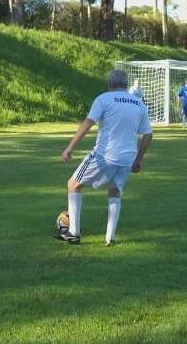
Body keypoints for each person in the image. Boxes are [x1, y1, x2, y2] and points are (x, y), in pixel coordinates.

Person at [57, 70, 153, 246]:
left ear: (109, 84)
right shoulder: (139, 104)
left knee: (73, 184)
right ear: (126, 85)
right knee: (115, 191)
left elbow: (88, 122)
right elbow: (148, 134)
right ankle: (110, 237)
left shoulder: (104, 99)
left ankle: (73, 232)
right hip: (127, 158)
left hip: (104, 156)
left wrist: (70, 147)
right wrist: (139, 159)